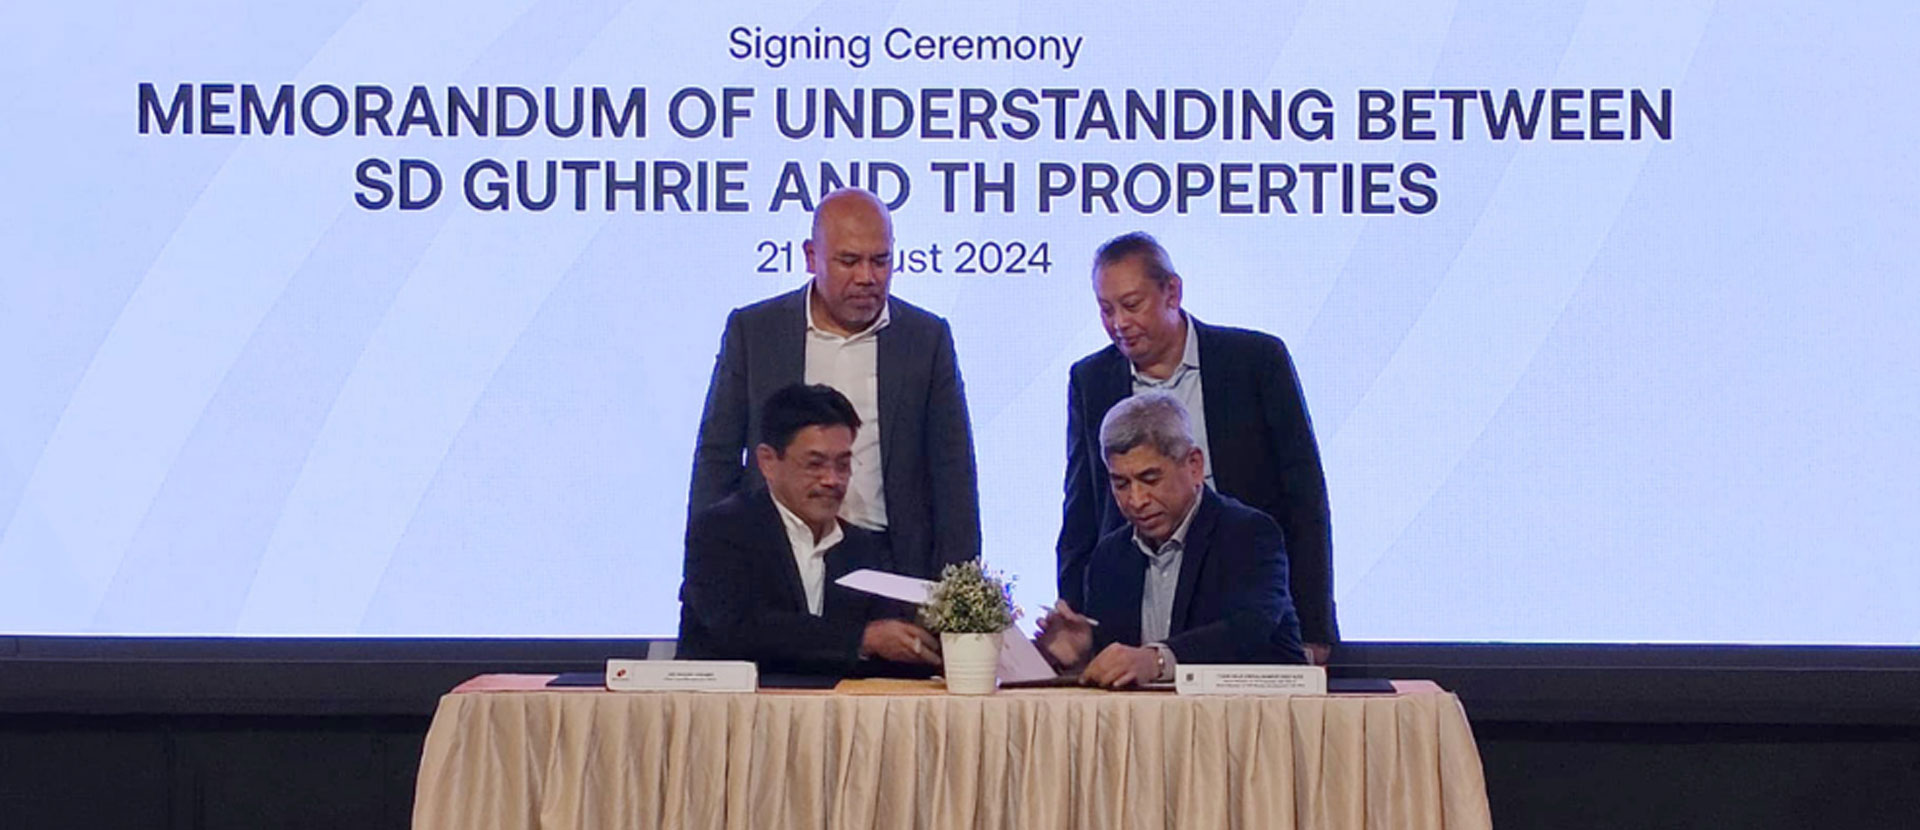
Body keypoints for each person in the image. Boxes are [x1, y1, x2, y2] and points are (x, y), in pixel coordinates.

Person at [1057, 231, 1337, 663]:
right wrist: (1077, 621)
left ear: (1172, 292)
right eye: (1106, 309)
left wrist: (1315, 625)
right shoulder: (1090, 380)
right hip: (1141, 600)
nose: (1119, 323)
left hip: (1243, 600)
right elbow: (1082, 509)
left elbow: (1304, 499)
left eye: (1131, 305)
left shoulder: (1254, 361)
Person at [689, 187, 980, 580]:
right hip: (774, 563)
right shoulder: (755, 332)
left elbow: (953, 473)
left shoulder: (925, 339)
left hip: (889, 566)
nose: (867, 277)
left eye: (880, 261)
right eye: (849, 261)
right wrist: (707, 570)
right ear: (811, 257)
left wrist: (959, 591)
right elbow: (717, 456)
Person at [1037, 393, 1305, 688]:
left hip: (1256, 711)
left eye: (1150, 479)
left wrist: (1157, 660)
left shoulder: (1248, 533)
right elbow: (1123, 661)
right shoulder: (1109, 556)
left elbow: (1247, 630)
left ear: (1194, 465)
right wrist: (1085, 651)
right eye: (1121, 484)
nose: (1136, 500)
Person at [678, 384, 942, 676]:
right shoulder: (721, 530)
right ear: (768, 461)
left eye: (843, 465)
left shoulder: (861, 549)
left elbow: (887, 643)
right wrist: (862, 639)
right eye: (815, 464)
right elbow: (739, 629)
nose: (832, 480)